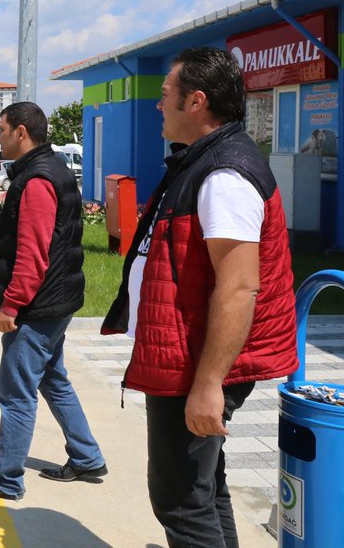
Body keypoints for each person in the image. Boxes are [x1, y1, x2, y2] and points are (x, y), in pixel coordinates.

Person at [101, 46, 297, 548]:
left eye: (165, 94)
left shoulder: (225, 175)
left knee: (180, 502)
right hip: (186, 354)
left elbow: (239, 286)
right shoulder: (203, 160)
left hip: (198, 364)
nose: (157, 104)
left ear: (197, 101)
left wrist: (209, 385)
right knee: (204, 490)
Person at [0, 102, 105, 500]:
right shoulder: (52, 167)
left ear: (20, 132)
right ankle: (87, 456)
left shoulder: (36, 179)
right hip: (57, 298)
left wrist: (12, 304)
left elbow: (33, 252)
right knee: (53, 379)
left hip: (37, 306)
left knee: (15, 393)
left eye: (1, 129)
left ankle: (6, 479)